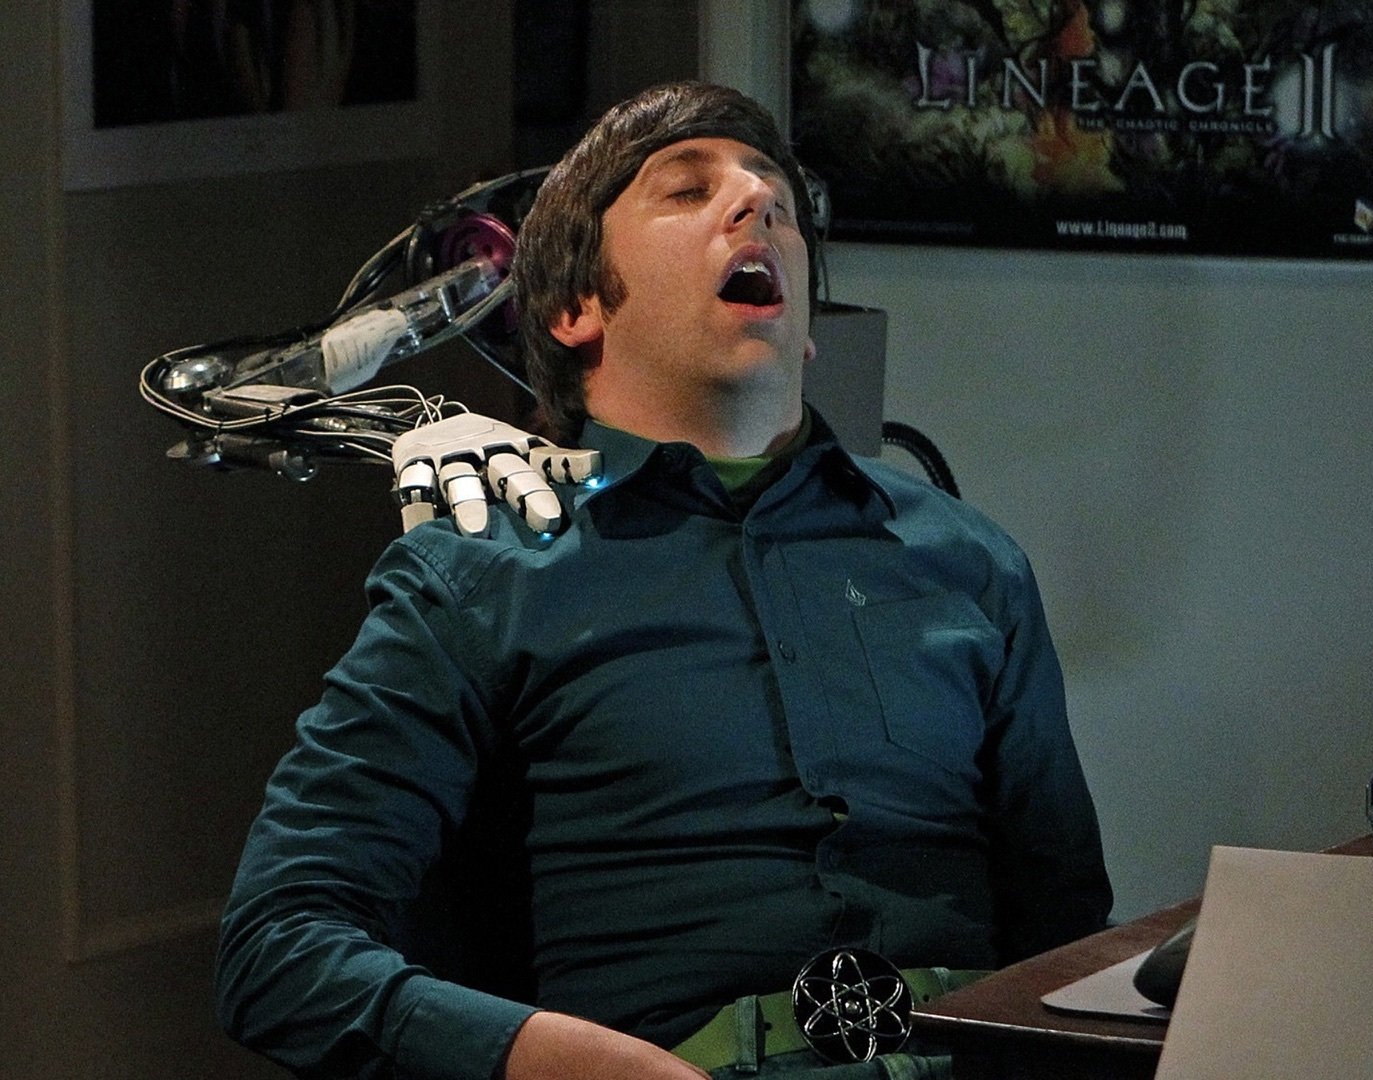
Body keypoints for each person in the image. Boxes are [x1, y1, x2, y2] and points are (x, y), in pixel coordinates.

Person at [215, 80, 1112, 1080]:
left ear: (810, 322)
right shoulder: (486, 572)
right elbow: (276, 948)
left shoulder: (972, 560)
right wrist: (549, 1061)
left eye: (778, 199)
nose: (756, 202)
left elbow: (1069, 937)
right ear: (572, 307)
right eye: (687, 189)